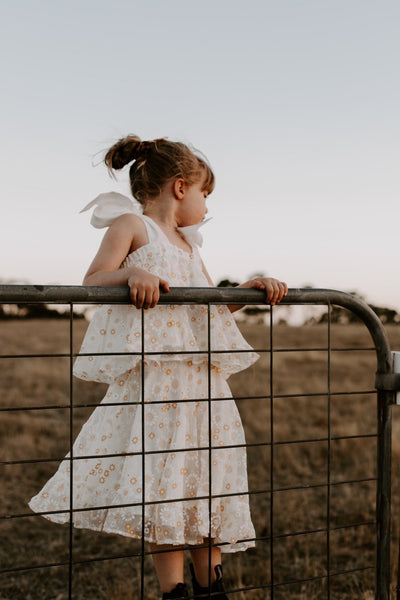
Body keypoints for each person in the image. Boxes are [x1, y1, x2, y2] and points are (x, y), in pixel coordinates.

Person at [29, 135, 287, 599]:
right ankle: (174, 591)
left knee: (203, 481)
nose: (208, 206)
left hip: (203, 385)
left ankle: (213, 588)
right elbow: (93, 278)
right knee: (165, 486)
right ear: (182, 187)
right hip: (159, 384)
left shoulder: (190, 247)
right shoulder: (133, 225)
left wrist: (249, 291)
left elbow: (206, 309)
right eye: (207, 194)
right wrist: (131, 273)